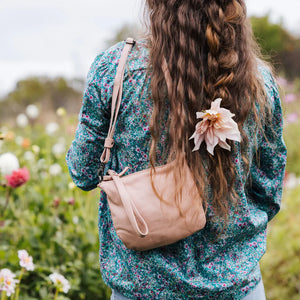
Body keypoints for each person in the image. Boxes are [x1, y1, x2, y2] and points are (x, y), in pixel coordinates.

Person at [66, 0, 287, 299]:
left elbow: (83, 172)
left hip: (141, 288)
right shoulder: (257, 80)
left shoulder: (116, 69)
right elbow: (270, 188)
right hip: (238, 286)